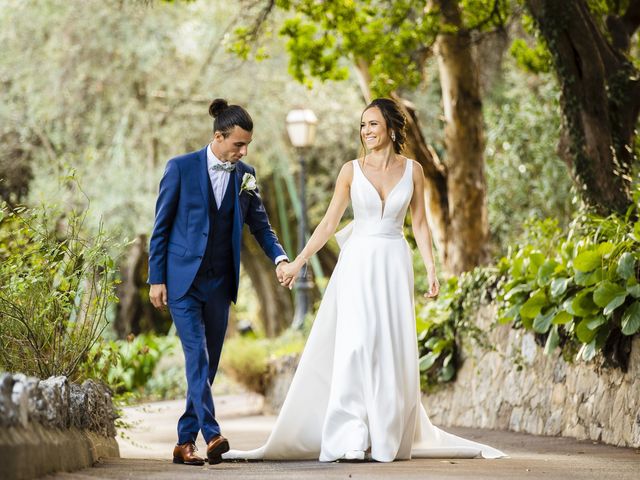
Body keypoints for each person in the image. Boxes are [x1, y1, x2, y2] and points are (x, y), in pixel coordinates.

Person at [224, 98, 506, 462]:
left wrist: (431, 268)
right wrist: (297, 263)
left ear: (391, 127)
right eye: (362, 125)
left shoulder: (414, 170)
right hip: (357, 264)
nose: (367, 131)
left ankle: (383, 433)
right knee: (356, 346)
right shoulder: (350, 171)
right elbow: (328, 223)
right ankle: (350, 435)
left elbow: (419, 223)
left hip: (394, 262)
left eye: (373, 124)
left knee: (388, 347)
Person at [147, 99, 290, 466]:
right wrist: (156, 278)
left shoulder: (245, 175)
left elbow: (260, 224)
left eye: (247, 146)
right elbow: (160, 229)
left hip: (220, 283)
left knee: (208, 366)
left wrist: (280, 256)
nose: (242, 152)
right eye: (237, 145)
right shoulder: (180, 168)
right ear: (218, 136)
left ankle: (183, 442)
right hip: (182, 282)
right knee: (197, 355)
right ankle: (211, 434)